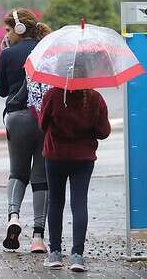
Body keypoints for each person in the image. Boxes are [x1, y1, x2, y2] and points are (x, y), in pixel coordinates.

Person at [0, 8, 52, 253]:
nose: (6, 33)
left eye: (8, 29)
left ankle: (13, 216)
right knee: (41, 177)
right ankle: (38, 237)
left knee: (17, 172)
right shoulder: (46, 50)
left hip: (16, 118)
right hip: (43, 117)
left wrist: (4, 54)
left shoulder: (8, 54)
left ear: (18, 29)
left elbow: (1, 90)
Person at [39, 84, 111, 271]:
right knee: (79, 203)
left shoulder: (52, 94)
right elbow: (104, 132)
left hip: (55, 156)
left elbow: (42, 124)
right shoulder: (95, 98)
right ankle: (77, 256)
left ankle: (55, 253)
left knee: (55, 202)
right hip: (83, 158)